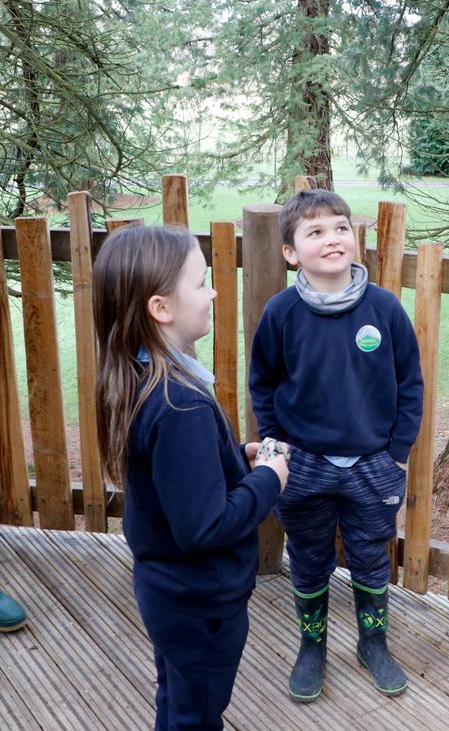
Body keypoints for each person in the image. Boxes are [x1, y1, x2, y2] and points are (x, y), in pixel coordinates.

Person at [93, 225, 289, 731]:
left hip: (168, 591)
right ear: (161, 308)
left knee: (178, 697)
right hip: (202, 604)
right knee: (197, 714)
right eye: (202, 283)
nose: (214, 291)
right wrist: (268, 477)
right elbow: (203, 527)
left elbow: (177, 482)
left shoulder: (143, 376)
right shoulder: (179, 405)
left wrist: (233, 460)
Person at [249, 189, 423, 701]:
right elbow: (264, 382)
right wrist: (278, 447)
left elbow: (409, 383)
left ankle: (373, 642)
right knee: (308, 555)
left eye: (341, 227)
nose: (332, 239)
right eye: (315, 231)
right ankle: (312, 645)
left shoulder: (384, 310)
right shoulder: (281, 314)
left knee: (371, 555)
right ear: (290, 252)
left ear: (355, 237)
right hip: (304, 466)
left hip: (373, 463)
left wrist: (396, 452)